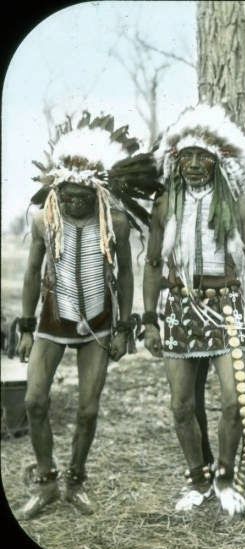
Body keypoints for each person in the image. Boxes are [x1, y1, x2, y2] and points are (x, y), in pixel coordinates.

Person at [16, 112, 158, 520]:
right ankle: (46, 481)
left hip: (99, 326)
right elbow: (30, 273)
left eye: (81, 195)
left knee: (88, 410)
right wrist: (27, 327)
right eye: (67, 195)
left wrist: (125, 327)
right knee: (34, 401)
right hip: (51, 323)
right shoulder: (45, 220)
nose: (74, 201)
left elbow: (128, 273)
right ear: (55, 191)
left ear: (96, 192)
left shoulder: (116, 223)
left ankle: (75, 481)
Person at [143, 104, 245, 517]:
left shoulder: (237, 204)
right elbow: (151, 264)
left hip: (225, 310)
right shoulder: (164, 205)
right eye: (188, 156)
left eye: (204, 156)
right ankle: (197, 478)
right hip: (178, 308)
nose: (196, 164)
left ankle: (226, 476)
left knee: (235, 402)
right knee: (182, 405)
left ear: (217, 160)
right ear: (175, 160)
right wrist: (149, 319)